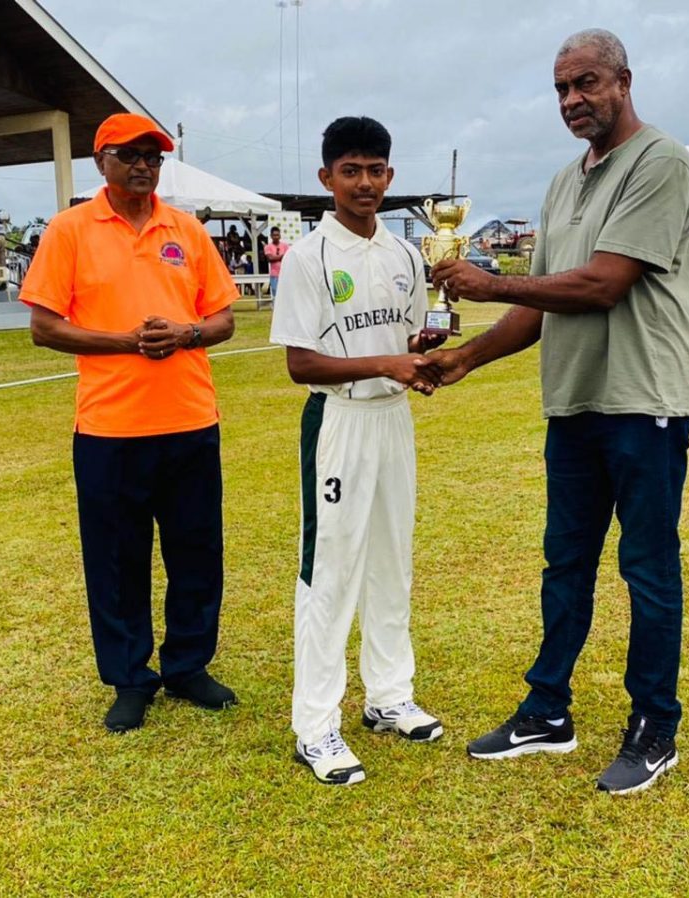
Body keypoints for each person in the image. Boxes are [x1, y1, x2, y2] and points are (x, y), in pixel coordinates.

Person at [429, 28, 689, 796]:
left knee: (648, 570)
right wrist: (464, 358)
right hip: (574, 402)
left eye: (586, 84)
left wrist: (492, 284)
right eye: (560, 89)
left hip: (644, 400)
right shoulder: (561, 182)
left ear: (623, 81)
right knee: (565, 565)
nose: (572, 100)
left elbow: (602, 284)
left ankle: (655, 724)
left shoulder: (660, 161)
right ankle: (548, 709)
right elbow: (542, 307)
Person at [19, 112, 239, 734]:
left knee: (197, 551)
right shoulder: (69, 231)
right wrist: (126, 342)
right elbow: (44, 327)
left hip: (190, 420)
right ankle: (129, 678)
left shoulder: (187, 231)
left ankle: (189, 666)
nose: (143, 165)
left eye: (153, 156)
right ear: (101, 162)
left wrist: (187, 332)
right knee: (117, 561)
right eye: (130, 154)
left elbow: (222, 319)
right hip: (109, 429)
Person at [270, 116, 447, 787]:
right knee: (331, 569)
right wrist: (386, 363)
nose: (365, 183)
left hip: (393, 420)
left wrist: (424, 355)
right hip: (339, 423)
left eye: (376, 170)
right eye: (351, 170)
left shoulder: (405, 255)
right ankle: (316, 727)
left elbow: (409, 339)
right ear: (326, 179)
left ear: (390, 177)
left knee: (391, 558)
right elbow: (301, 364)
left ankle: (388, 696)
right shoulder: (310, 258)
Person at [263, 225, 288, 301]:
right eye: (274, 235)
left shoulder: (285, 246)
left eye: (277, 235)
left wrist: (276, 258)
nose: (276, 237)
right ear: (271, 236)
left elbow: (287, 258)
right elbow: (270, 258)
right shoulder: (268, 247)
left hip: (284, 274)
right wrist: (282, 256)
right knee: (276, 295)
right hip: (274, 275)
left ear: (280, 235)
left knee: (285, 295)